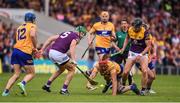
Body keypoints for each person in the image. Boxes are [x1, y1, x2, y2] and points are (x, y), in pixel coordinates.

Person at [41, 26, 87, 95]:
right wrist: (73, 59)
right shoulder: (76, 37)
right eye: (82, 34)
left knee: (62, 68)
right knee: (72, 69)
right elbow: (72, 47)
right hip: (58, 54)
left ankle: (47, 85)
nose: (82, 36)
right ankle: (64, 90)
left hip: (51, 52)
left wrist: (42, 49)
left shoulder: (66, 33)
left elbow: (51, 38)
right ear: (78, 32)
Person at [2, 12, 37, 96]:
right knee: (31, 73)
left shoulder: (19, 27)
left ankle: (5, 92)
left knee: (16, 74)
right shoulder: (32, 26)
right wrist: (35, 47)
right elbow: (32, 35)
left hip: (16, 51)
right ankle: (23, 83)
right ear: (32, 19)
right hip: (24, 52)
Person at [120, 18, 152, 95]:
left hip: (143, 53)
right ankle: (123, 85)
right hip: (132, 52)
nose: (135, 28)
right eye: (134, 26)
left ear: (141, 26)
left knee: (144, 71)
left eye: (137, 27)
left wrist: (141, 54)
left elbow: (148, 46)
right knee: (125, 72)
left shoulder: (145, 32)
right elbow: (127, 38)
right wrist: (123, 48)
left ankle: (143, 90)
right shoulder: (130, 29)